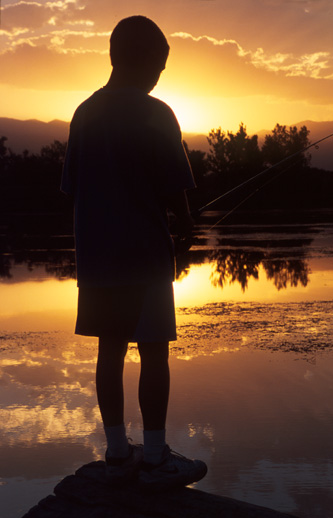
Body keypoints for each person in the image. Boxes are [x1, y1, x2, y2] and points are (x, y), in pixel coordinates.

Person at [61, 15, 207, 489]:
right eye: (159, 66)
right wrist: (185, 228)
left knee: (110, 350)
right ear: (143, 59)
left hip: (97, 257)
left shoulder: (83, 113)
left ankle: (118, 450)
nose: (158, 77)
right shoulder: (156, 113)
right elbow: (176, 189)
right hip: (144, 256)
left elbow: (71, 187)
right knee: (154, 353)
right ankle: (157, 456)